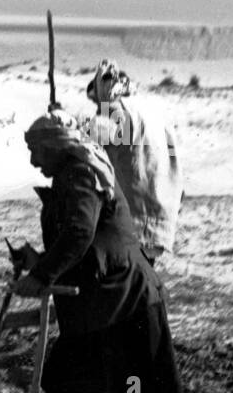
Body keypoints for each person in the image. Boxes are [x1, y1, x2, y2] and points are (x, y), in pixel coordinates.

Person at [11, 110, 192, 393]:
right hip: (107, 300)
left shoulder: (79, 176)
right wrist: (38, 262)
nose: (32, 161)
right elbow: (85, 242)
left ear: (55, 147)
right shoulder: (74, 174)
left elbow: (79, 234)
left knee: (136, 389)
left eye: (37, 151)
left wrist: (41, 275)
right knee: (66, 369)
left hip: (122, 302)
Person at [75, 60, 183, 265]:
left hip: (132, 217)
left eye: (96, 100)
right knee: (141, 282)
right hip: (160, 210)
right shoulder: (154, 112)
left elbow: (103, 133)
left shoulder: (117, 107)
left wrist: (69, 122)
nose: (97, 106)